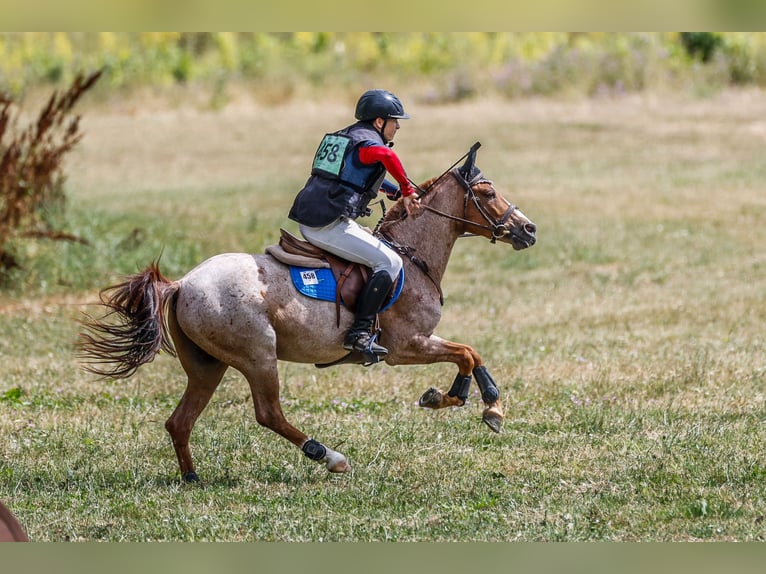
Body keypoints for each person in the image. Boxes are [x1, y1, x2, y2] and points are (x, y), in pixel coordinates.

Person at [288, 89, 420, 358]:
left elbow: (354, 174)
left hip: (314, 215)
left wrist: (391, 190)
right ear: (379, 122)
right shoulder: (370, 144)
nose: (398, 127)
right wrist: (407, 190)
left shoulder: (349, 137)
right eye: (395, 121)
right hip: (326, 224)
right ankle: (359, 334)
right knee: (390, 262)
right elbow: (387, 157)